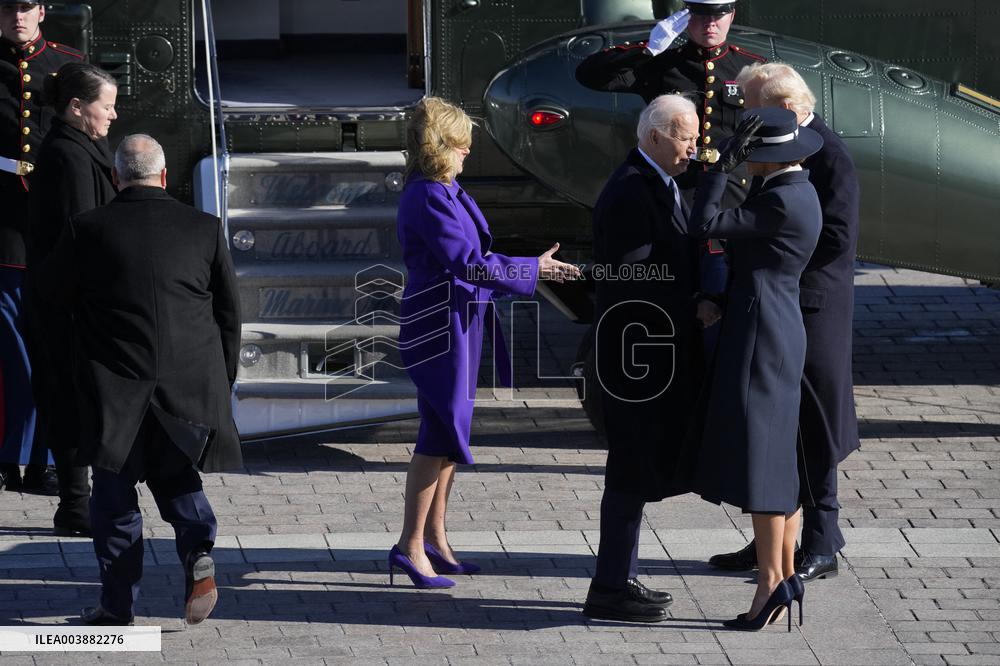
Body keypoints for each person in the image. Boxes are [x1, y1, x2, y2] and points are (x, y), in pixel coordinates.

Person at [36, 134, 241, 626]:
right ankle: (198, 553)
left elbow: (50, 301)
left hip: (114, 389)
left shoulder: (87, 229)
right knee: (177, 478)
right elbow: (229, 314)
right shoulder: (204, 228)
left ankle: (117, 606)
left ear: (115, 178)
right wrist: (221, 383)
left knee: (114, 499)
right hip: (188, 388)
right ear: (164, 176)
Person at [391, 97, 579, 588]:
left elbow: (476, 258)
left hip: (458, 321)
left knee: (448, 436)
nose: (468, 152)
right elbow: (468, 263)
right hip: (440, 326)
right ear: (439, 146)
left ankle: (434, 540)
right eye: (461, 145)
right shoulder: (429, 195)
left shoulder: (444, 189)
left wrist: (529, 266)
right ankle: (411, 545)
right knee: (439, 434)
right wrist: (531, 269)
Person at [708, 63, 860, 582]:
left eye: (754, 109)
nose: (746, 120)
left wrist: (779, 261)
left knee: (815, 423)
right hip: (782, 299)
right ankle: (773, 542)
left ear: (787, 110)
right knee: (778, 427)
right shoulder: (777, 144)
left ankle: (822, 540)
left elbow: (836, 237)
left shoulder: (829, 153)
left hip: (811, 305)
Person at [686, 107, 823, 630]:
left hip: (762, 335)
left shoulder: (781, 200)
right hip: (779, 328)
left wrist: (718, 170)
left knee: (764, 461)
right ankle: (783, 574)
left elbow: (704, 224)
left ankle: (769, 585)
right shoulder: (797, 191)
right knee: (779, 458)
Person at [582, 94, 712, 623]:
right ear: (655, 137)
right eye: (686, 138)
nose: (694, 148)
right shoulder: (631, 192)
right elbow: (630, 281)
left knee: (634, 472)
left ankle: (620, 579)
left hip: (645, 350)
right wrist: (691, 306)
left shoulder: (660, 180)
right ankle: (609, 589)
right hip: (634, 357)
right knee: (629, 470)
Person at [576, 0, 766, 355]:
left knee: (731, 317)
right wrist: (648, 48)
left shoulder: (750, 69)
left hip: (729, 207)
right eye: (701, 15)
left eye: (718, 14)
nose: (710, 23)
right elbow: (590, 75)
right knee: (675, 305)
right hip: (677, 206)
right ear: (686, 17)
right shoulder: (663, 64)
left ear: (732, 15)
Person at [25, 61, 118, 536]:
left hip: (71, 300)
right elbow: (81, 235)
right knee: (70, 399)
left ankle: (81, 504)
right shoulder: (70, 157)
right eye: (107, 106)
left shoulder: (81, 147)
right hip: (70, 305)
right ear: (78, 107)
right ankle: (77, 506)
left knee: (73, 398)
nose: (113, 115)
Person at [0, 0, 83, 493]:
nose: (18, 16)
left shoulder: (67, 64)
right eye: (8, 7)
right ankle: (11, 456)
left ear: (42, 11)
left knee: (52, 343)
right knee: (11, 347)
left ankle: (43, 458)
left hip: (52, 218)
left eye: (26, 7)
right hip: (4, 221)